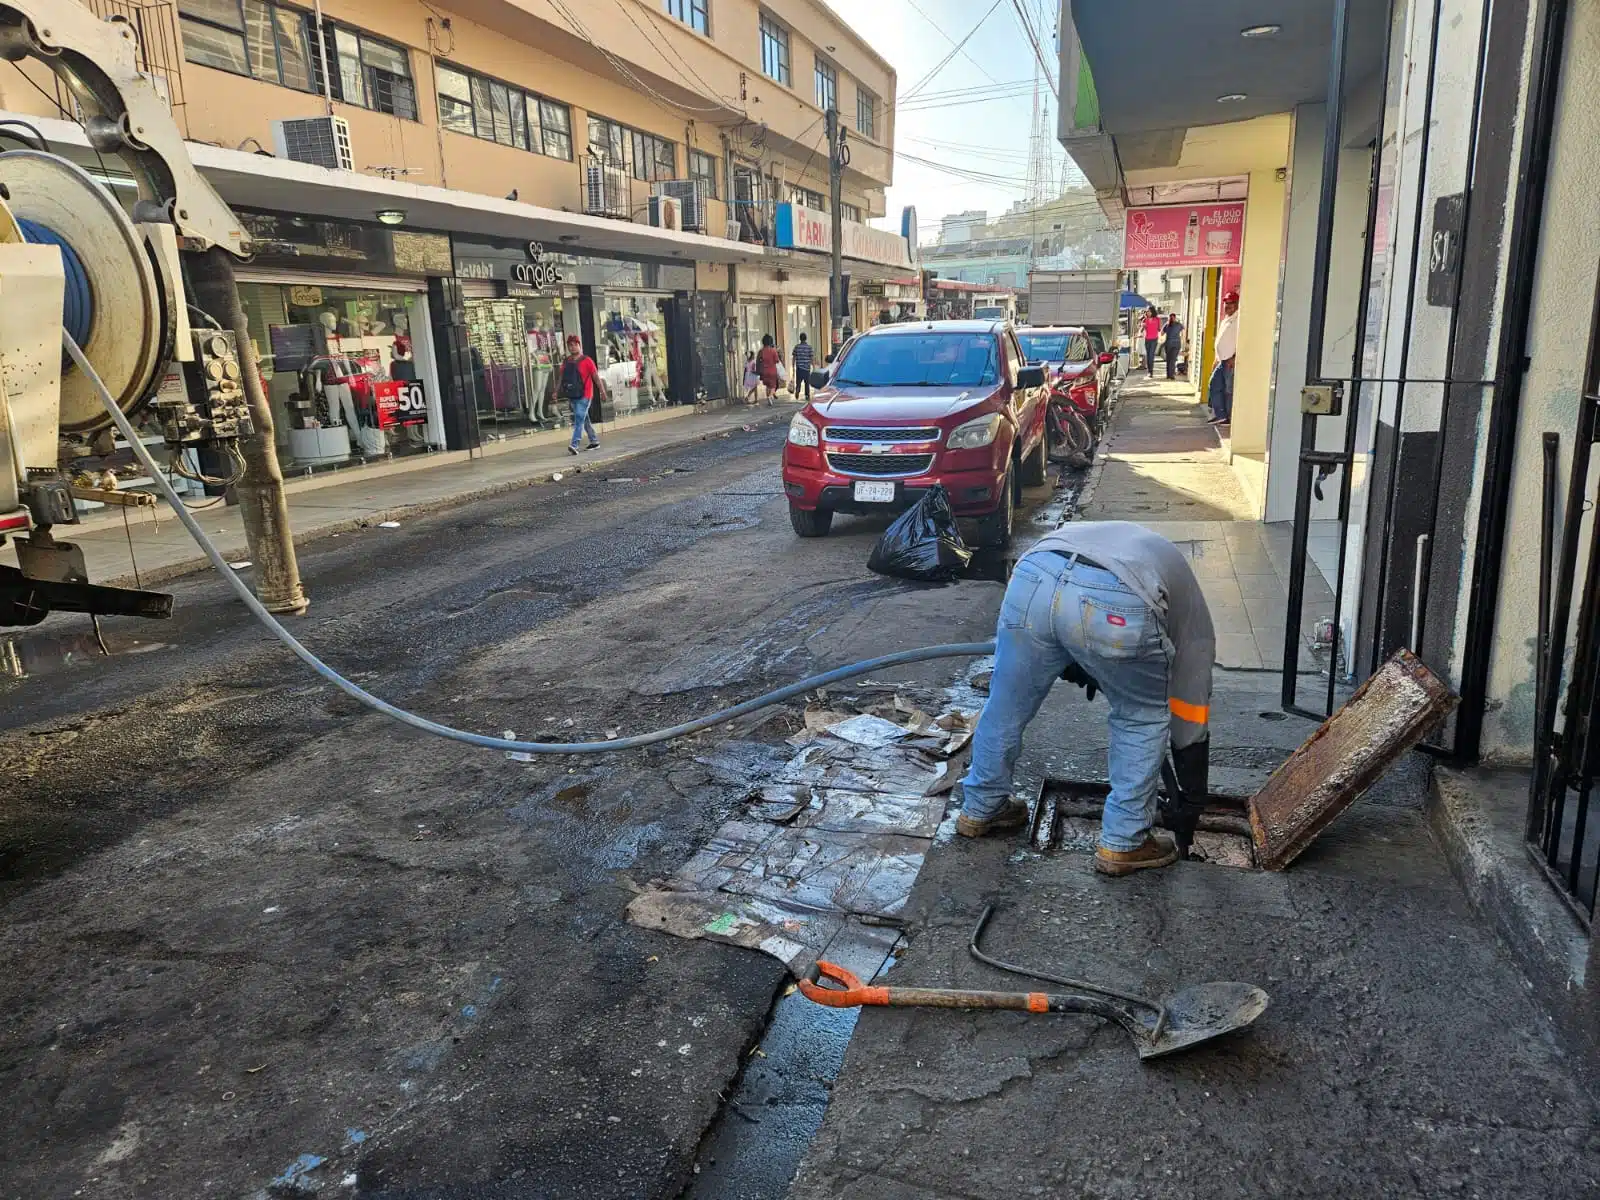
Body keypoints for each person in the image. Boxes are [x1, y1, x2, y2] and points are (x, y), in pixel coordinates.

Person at [955, 521, 1215, 877]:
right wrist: (1193, 789)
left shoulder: (1126, 541)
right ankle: (1125, 842)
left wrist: (1079, 658)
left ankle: (981, 807)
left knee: (1006, 703)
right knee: (1140, 717)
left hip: (1034, 576)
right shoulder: (1193, 615)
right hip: (1116, 597)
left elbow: (1063, 610)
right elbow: (1190, 699)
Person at [559, 334, 602, 456]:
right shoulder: (566, 361)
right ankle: (594, 441)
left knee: (579, 419)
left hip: (586, 395)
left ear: (579, 346)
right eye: (570, 345)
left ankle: (574, 444)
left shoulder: (587, 361)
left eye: (574, 345)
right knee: (584, 419)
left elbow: (596, 378)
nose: (572, 347)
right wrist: (556, 391)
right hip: (573, 395)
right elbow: (561, 377)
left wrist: (602, 391)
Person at [1209, 290, 1239, 426]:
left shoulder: (1239, 319)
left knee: (1228, 389)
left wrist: (1235, 357)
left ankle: (1225, 416)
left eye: (1231, 303)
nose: (1227, 306)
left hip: (1230, 360)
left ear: (1237, 304)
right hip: (1222, 360)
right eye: (1226, 303)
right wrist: (1216, 358)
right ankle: (1220, 414)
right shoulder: (1226, 320)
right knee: (1215, 385)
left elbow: (1242, 340)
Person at [755, 333, 782, 406]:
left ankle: (768, 398)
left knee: (767, 385)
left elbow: (758, 361)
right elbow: (777, 360)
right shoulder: (773, 350)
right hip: (772, 371)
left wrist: (758, 370)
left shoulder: (761, 351)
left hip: (764, 371)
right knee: (773, 386)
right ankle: (770, 397)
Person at [792, 332, 815, 402]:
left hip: (799, 368)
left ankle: (797, 390)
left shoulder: (797, 347)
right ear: (806, 339)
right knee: (807, 382)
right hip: (807, 368)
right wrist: (813, 366)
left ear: (800, 339)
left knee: (798, 382)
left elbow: (794, 357)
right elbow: (811, 358)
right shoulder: (809, 347)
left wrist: (792, 366)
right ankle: (807, 395)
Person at [1162, 313, 1184, 380]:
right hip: (1176, 343)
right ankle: (1171, 375)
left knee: (1168, 359)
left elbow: (1162, 333)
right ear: (1175, 318)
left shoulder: (1167, 325)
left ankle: (1168, 375)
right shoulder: (1179, 325)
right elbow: (1183, 333)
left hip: (1168, 343)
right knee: (1173, 359)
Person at [1142, 307, 1161, 374]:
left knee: (1151, 355)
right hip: (1147, 339)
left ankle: (1151, 371)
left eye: (1149, 311)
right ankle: (1149, 370)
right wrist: (1143, 325)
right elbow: (1143, 329)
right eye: (1147, 311)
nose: (1148, 312)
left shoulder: (1157, 319)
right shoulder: (1145, 320)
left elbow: (1159, 329)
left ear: (1152, 312)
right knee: (1148, 355)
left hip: (1154, 339)